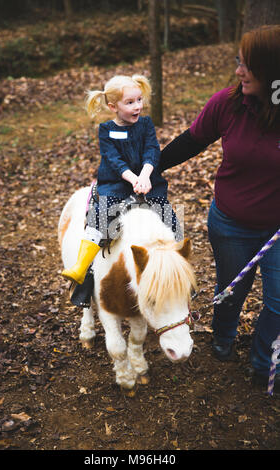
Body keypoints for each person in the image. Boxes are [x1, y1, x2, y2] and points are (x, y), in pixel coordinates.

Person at [159, 25, 280, 391]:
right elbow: (189, 142)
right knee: (231, 292)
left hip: (277, 231)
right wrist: (145, 168)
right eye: (238, 63)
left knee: (278, 303)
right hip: (230, 223)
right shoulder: (227, 103)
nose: (239, 72)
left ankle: (263, 361)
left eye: (248, 66)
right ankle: (223, 336)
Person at [62, 74, 182, 290]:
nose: (137, 106)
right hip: (117, 182)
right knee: (99, 216)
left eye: (139, 100)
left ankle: (177, 266)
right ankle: (81, 267)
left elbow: (152, 150)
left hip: (147, 180)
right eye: (129, 102)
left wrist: (145, 176)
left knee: (169, 218)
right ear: (112, 106)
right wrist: (133, 178)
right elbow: (113, 160)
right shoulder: (106, 130)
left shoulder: (145, 124)